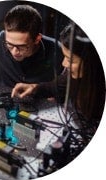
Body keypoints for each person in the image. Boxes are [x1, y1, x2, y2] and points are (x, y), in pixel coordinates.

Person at [11, 23, 105, 155]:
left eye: (70, 60)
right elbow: (57, 86)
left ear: (94, 62)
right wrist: (34, 88)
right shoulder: (73, 76)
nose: (64, 64)